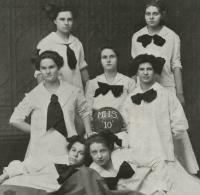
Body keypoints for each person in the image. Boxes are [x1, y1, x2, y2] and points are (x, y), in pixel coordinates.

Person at [131, 0, 199, 174]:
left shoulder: (172, 36)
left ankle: (181, 168)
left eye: (155, 13)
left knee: (171, 128)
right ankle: (150, 167)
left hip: (166, 86)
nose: (151, 17)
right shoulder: (137, 36)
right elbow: (135, 67)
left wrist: (180, 92)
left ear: (162, 15)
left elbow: (176, 65)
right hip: (144, 88)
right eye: (148, 14)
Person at [119, 54, 200, 195]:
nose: (145, 72)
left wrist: (167, 141)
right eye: (142, 69)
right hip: (139, 155)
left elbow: (179, 124)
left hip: (162, 152)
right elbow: (126, 125)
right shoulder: (130, 99)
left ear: (155, 71)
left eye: (149, 69)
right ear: (137, 72)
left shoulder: (166, 95)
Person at [9, 51, 92, 162]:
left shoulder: (73, 91)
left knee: (66, 175)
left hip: (67, 144)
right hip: (41, 146)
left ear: (58, 67)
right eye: (43, 68)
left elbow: (84, 111)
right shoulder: (34, 94)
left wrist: (89, 131)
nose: (48, 72)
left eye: (51, 67)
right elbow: (15, 119)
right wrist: (36, 131)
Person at [0, 136, 87, 193]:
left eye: (81, 153)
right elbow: (25, 165)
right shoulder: (54, 159)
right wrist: (3, 176)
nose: (75, 155)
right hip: (22, 185)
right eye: (73, 150)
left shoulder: (86, 173)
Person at [34, 4, 89, 90]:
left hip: (77, 93)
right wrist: (45, 96)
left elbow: (82, 68)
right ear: (55, 20)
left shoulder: (77, 42)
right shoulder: (46, 43)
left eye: (69, 19)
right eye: (62, 19)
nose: (66, 23)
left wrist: (90, 90)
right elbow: (39, 74)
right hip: (58, 94)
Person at [85, 46, 136, 116]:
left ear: (117, 59)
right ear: (100, 60)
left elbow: (134, 109)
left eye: (112, 56)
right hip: (98, 125)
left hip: (123, 124)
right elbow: (88, 111)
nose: (108, 60)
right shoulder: (92, 83)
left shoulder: (129, 82)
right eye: (104, 57)